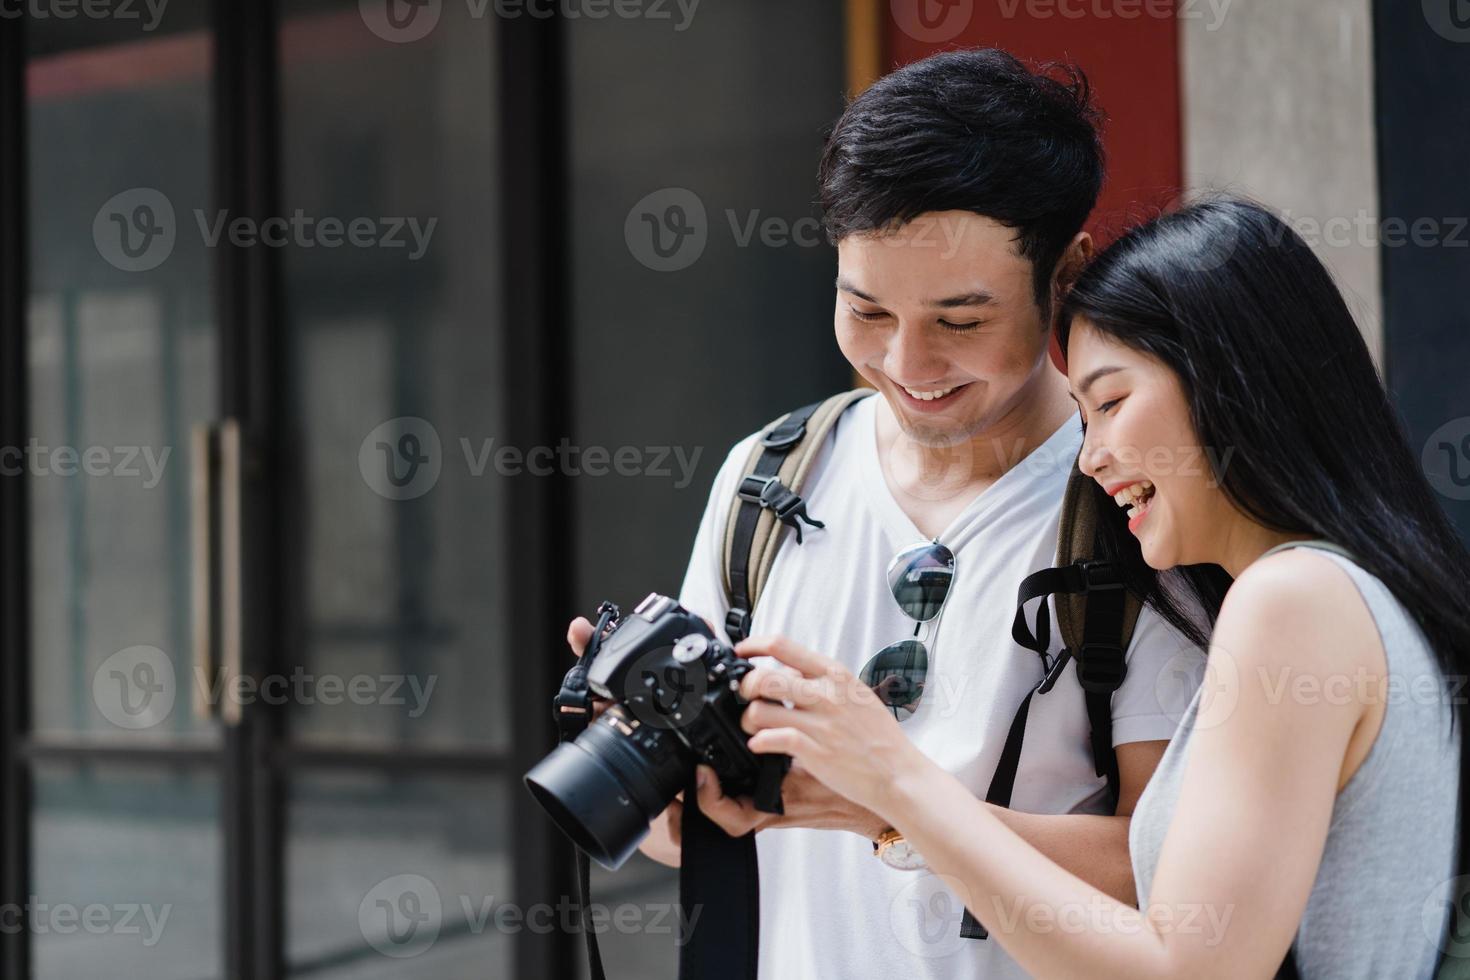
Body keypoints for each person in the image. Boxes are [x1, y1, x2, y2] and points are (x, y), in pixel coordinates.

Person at [568, 48, 1208, 978]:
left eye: (960, 321)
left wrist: (885, 803)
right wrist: (649, 769)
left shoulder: (1132, 497)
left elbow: (1174, 874)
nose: (908, 364)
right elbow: (717, 830)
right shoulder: (771, 478)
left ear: (1065, 276)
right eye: (865, 310)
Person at [729, 197, 1469, 978]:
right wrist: (886, 803)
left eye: (1111, 403)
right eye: (1083, 416)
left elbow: (1182, 968)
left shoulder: (1294, 602)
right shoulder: (1346, 594)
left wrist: (900, 776)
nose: (1091, 457)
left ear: (1232, 378)